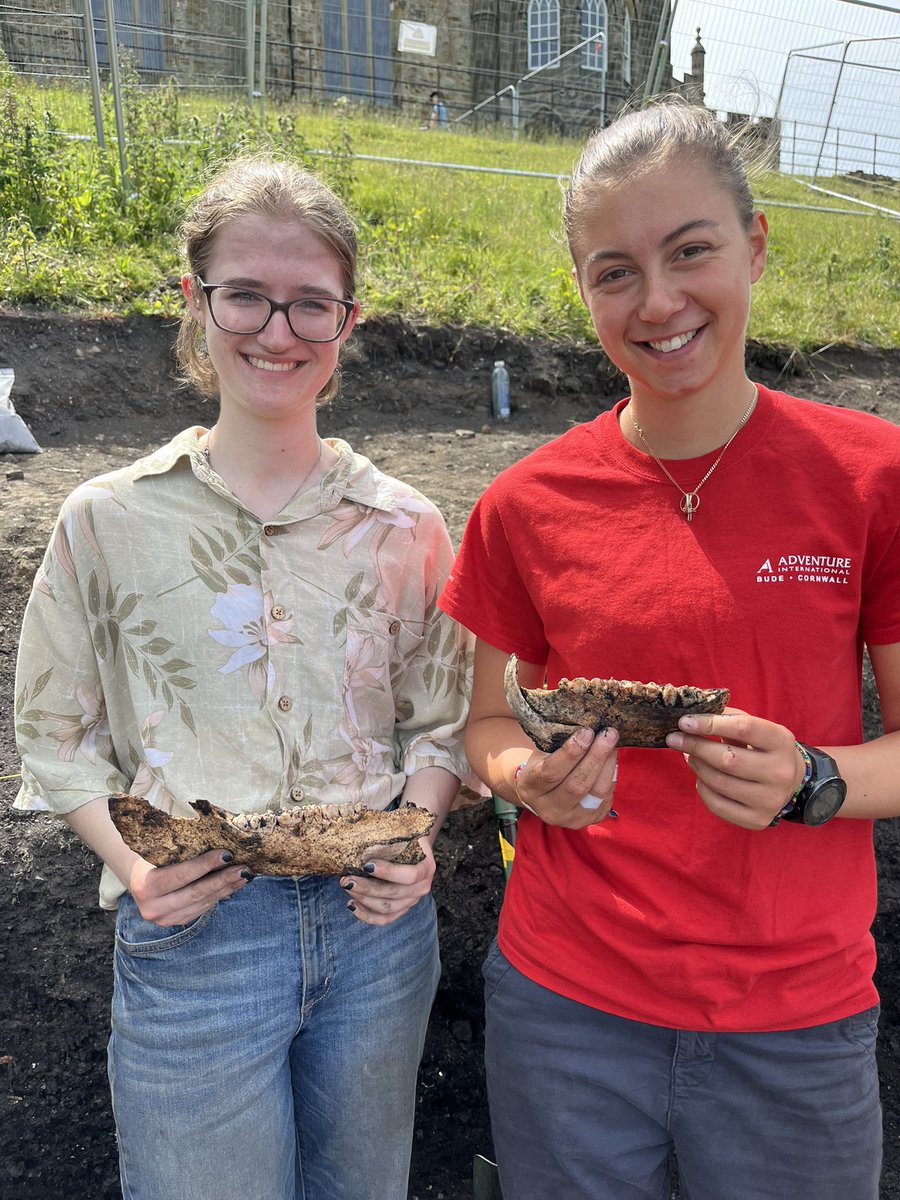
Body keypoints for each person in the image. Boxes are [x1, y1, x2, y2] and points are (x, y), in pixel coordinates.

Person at [439, 101, 900, 1200]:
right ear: (584, 290)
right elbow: (488, 722)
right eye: (613, 271)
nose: (657, 302)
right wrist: (527, 782)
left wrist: (817, 778)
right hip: (567, 1012)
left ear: (755, 244)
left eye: (690, 251)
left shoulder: (872, 479)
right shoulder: (524, 505)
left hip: (796, 1019)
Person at [13, 154, 476, 1200]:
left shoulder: (407, 526)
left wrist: (418, 833)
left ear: (347, 321)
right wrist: (133, 872)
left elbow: (443, 716)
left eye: (311, 304)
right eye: (246, 297)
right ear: (194, 301)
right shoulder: (106, 520)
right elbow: (53, 730)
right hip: (196, 934)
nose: (278, 331)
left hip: (377, 937)